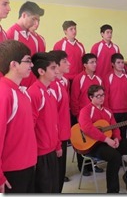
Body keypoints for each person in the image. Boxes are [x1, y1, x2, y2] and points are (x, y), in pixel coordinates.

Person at [78, 85, 127, 193]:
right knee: (115, 157)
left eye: (102, 95)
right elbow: (87, 128)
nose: (101, 98)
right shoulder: (85, 110)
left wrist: (117, 138)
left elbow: (115, 126)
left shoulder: (108, 111)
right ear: (91, 97)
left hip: (108, 141)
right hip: (94, 145)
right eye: (98, 96)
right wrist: (106, 139)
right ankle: (112, 191)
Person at [0, 40, 37, 193]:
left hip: (27, 166)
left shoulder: (21, 92)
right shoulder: (5, 93)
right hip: (12, 172)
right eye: (28, 61)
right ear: (13, 64)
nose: (32, 65)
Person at [27, 52, 62, 193]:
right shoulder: (34, 93)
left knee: (54, 188)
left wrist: (58, 145)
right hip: (41, 153)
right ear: (41, 71)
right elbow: (30, 128)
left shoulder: (50, 91)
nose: (57, 71)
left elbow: (54, 123)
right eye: (53, 68)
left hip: (52, 149)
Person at [70, 53, 103, 176]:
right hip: (82, 116)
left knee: (94, 139)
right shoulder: (79, 78)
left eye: (95, 62)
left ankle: (94, 164)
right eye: (91, 62)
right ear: (85, 65)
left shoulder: (99, 79)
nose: (95, 64)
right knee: (82, 141)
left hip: (95, 116)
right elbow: (74, 98)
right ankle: (82, 166)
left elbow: (101, 98)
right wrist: (77, 115)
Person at [6, 1, 45, 88]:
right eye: (33, 19)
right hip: (16, 85)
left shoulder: (35, 39)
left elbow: (36, 63)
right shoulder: (11, 34)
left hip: (32, 85)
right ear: (24, 15)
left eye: (38, 20)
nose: (36, 23)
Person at [48, 50, 71, 191]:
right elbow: (52, 115)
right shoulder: (53, 85)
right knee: (55, 176)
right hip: (56, 137)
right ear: (56, 65)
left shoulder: (64, 82)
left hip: (63, 133)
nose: (69, 64)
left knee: (60, 173)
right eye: (65, 62)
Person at [103, 53, 127, 139]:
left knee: (123, 135)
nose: (121, 65)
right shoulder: (108, 77)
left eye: (122, 62)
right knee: (113, 135)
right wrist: (108, 113)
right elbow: (106, 96)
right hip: (113, 112)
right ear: (113, 64)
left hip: (125, 112)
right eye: (118, 62)